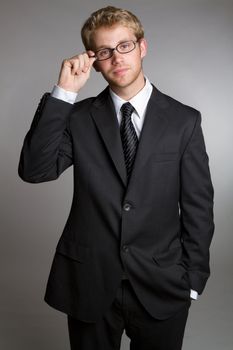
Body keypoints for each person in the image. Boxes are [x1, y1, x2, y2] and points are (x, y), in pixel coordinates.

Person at [18, 6, 214, 350]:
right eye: (104, 52)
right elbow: (35, 170)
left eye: (124, 46)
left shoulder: (184, 120)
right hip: (89, 281)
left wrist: (193, 279)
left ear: (142, 47)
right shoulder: (78, 117)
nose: (117, 59)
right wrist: (64, 93)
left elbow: (198, 206)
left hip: (161, 282)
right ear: (93, 59)